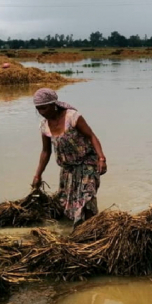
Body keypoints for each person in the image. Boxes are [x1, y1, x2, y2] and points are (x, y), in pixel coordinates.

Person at [32, 88, 107, 224]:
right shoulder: (44, 126)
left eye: (44, 108)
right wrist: (38, 175)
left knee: (87, 199)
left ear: (53, 104)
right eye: (38, 109)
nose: (42, 112)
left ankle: (91, 231)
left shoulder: (72, 117)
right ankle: (73, 232)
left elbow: (91, 136)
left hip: (87, 164)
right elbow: (45, 152)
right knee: (67, 204)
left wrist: (101, 158)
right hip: (67, 170)